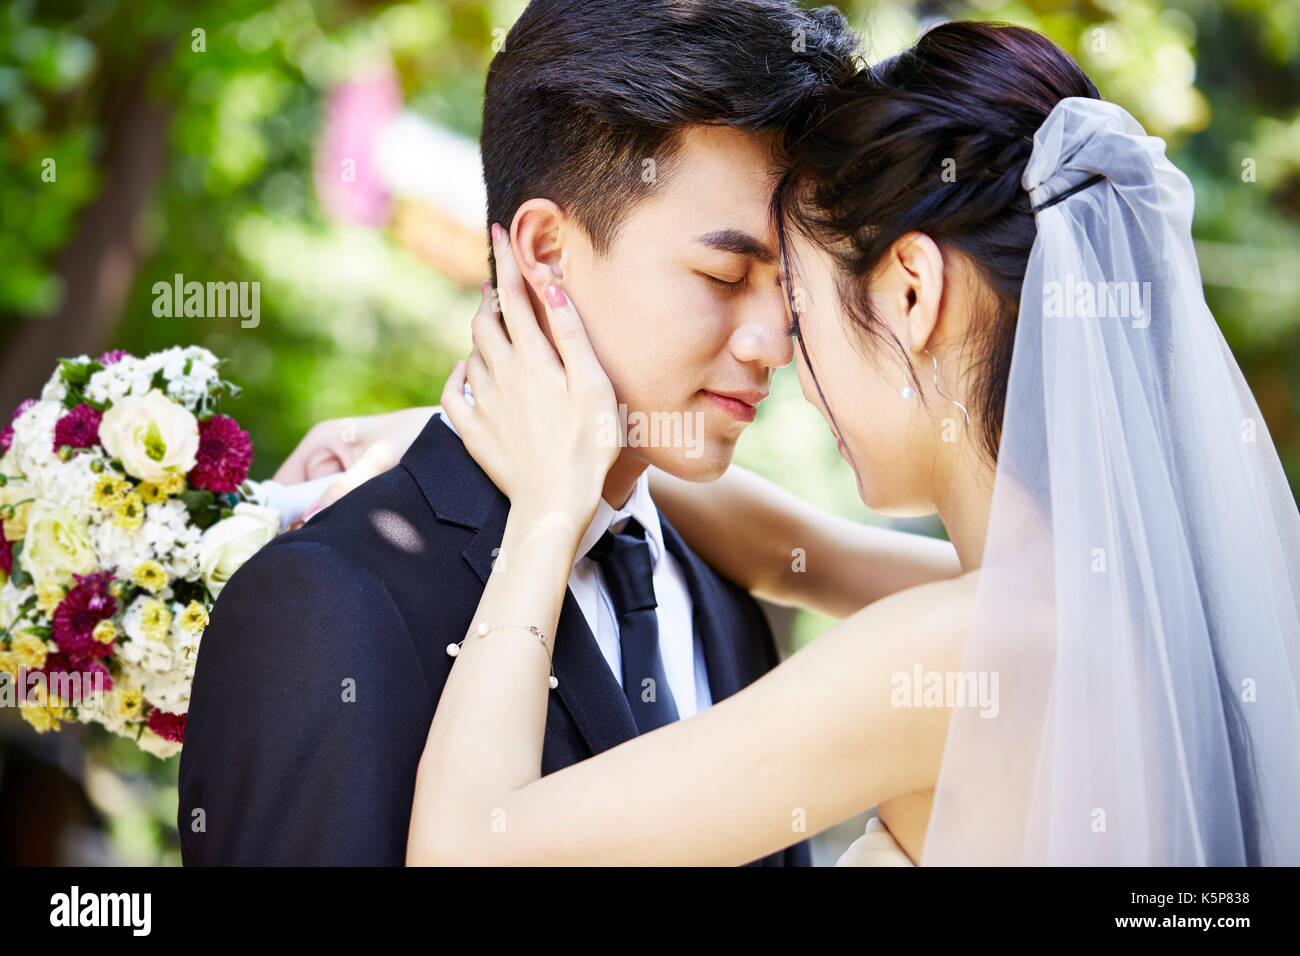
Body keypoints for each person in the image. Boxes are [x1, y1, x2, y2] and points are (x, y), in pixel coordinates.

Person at [386, 21, 1300, 865]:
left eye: (797, 304)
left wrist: (545, 517)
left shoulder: (949, 651)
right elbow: (796, 557)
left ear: (911, 291)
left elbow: (469, 847)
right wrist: (503, 439)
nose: (784, 354)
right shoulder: (1121, 595)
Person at [177, 0, 925, 866]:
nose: (775, 344)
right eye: (724, 274)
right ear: (544, 252)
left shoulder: (723, 590)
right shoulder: (326, 605)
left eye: (787, 287)